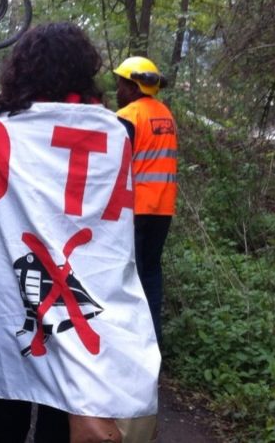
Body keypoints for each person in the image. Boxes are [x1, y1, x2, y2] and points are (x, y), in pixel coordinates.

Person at [0, 23, 160, 443]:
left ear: (23, 71)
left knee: (5, 421)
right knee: (62, 414)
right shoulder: (116, 133)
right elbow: (111, 230)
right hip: (80, 302)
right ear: (84, 72)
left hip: (11, 298)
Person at [113, 56, 177, 345]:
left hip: (134, 208)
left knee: (128, 276)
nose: (117, 90)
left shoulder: (128, 116)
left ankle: (132, 343)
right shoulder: (166, 115)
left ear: (133, 86)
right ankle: (153, 339)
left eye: (120, 84)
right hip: (162, 209)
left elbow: (114, 163)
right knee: (150, 272)